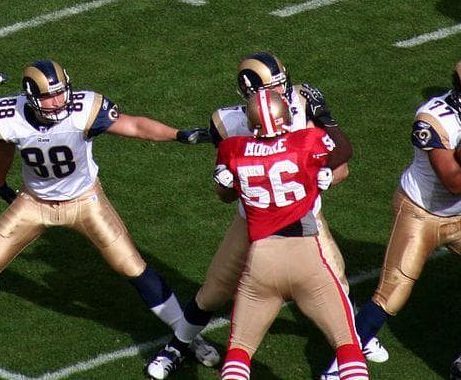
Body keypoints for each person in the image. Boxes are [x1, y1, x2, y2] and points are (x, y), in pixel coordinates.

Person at [0, 59, 212, 357]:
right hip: (34, 202)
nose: (59, 101)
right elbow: (3, 149)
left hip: (84, 201)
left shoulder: (85, 109)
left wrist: (177, 134)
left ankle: (187, 335)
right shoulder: (6, 116)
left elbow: (134, 125)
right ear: (30, 97)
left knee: (131, 266)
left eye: (61, 92)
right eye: (49, 96)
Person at [145, 52, 371, 380]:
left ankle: (352, 348)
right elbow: (338, 154)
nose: (283, 91)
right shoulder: (229, 124)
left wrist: (323, 176)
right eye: (273, 87)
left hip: (303, 218)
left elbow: (340, 166)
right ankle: (178, 345)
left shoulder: (294, 106)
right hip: (255, 221)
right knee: (214, 292)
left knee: (338, 284)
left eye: (282, 83)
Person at [328, 58, 461, 380]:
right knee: (391, 294)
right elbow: (453, 181)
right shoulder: (432, 118)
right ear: (456, 94)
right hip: (420, 214)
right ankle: (337, 367)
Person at [212, 89, 366, 380]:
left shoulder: (233, 149)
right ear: (286, 117)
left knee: (239, 351)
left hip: (261, 261)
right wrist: (324, 116)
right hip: (306, 256)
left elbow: (225, 194)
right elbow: (343, 151)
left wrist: (224, 182)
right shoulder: (307, 141)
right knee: (348, 344)